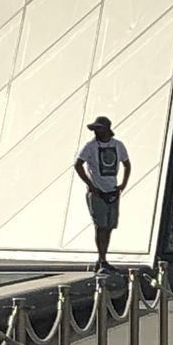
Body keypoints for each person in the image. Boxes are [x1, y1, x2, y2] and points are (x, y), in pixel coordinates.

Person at [73, 115, 131, 269]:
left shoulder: (118, 145)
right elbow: (78, 164)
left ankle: (103, 259)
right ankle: (102, 258)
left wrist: (123, 184)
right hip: (97, 192)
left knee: (109, 226)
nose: (96, 131)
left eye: (99, 128)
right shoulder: (90, 146)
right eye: (95, 129)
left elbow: (127, 164)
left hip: (112, 190)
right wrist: (89, 184)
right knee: (100, 226)